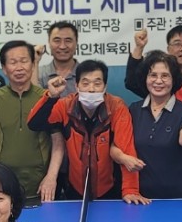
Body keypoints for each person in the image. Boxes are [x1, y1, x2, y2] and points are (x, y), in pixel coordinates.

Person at [27, 59, 145, 203]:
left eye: (97, 83)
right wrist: (51, 97)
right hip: (74, 189)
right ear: (76, 86)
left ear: (105, 86)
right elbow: (35, 124)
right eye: (85, 83)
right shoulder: (65, 105)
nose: (91, 89)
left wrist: (130, 190)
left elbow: (126, 148)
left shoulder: (117, 107)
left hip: (109, 190)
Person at [0, 41, 63, 201]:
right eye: (13, 62)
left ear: (33, 65)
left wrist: (51, 177)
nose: (19, 67)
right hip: (2, 185)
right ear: (4, 68)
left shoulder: (47, 97)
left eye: (24, 61)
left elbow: (58, 142)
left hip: (41, 186)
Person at [130, 50, 182, 200]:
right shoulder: (134, 110)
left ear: (174, 79)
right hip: (141, 197)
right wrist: (124, 158)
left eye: (165, 76)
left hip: (178, 196)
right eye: (153, 75)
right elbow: (116, 146)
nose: (158, 81)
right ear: (145, 78)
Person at [125, 25, 182, 106]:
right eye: (177, 44)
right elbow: (132, 83)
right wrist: (139, 47)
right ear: (168, 50)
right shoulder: (159, 81)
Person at [35, 20, 80, 98]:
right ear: (49, 43)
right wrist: (35, 62)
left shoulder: (87, 74)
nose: (62, 46)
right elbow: (34, 101)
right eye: (57, 41)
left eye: (68, 41)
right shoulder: (39, 74)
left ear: (76, 43)